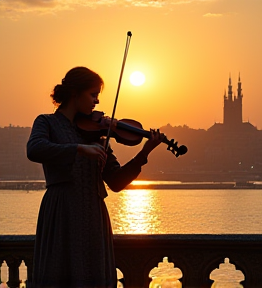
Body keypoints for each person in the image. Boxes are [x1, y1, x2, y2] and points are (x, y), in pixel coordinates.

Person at [27, 66, 164, 288]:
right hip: (62, 211)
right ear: (74, 93)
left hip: (93, 214)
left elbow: (117, 181)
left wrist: (144, 152)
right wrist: (79, 148)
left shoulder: (97, 134)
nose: (97, 102)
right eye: (93, 95)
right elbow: (34, 149)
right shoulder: (46, 122)